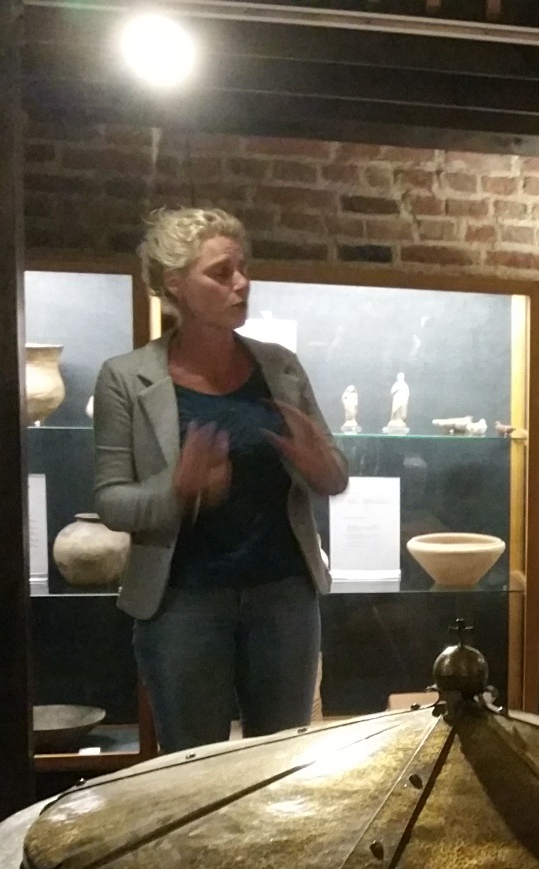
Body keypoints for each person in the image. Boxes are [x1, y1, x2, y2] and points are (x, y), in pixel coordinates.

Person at [93, 207, 349, 753]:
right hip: (183, 601)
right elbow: (111, 501)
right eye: (221, 272)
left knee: (281, 764)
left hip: (283, 595)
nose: (242, 282)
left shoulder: (280, 367)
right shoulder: (126, 377)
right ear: (175, 284)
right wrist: (178, 487)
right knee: (193, 769)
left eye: (243, 268)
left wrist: (317, 464)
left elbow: (333, 475)